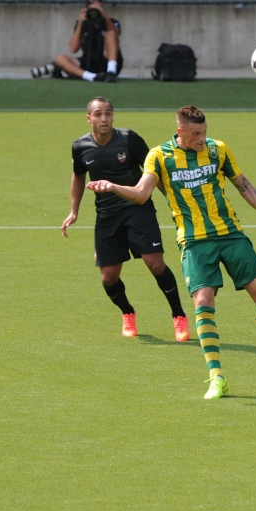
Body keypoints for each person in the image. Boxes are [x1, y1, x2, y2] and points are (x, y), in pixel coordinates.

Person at [87, 105, 256, 399]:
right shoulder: (159, 156)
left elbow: (243, 185)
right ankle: (216, 377)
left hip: (230, 235)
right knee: (203, 302)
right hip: (194, 242)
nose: (202, 138)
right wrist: (114, 187)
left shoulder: (217, 150)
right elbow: (142, 193)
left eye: (205, 131)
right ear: (180, 131)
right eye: (196, 133)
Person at [62, 96, 189, 342]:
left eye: (108, 113)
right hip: (107, 215)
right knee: (108, 276)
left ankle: (179, 315)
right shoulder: (80, 147)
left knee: (155, 263)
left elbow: (154, 171)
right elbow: (78, 176)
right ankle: (128, 312)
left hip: (137, 208)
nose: (104, 119)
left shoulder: (129, 140)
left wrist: (173, 202)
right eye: (98, 114)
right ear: (89, 118)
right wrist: (73, 211)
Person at [31, 0, 121, 82]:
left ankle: (110, 73)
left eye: (97, 8)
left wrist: (105, 17)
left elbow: (115, 33)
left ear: (102, 6)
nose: (95, 13)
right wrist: (80, 23)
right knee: (59, 58)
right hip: (88, 63)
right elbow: (73, 48)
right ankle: (92, 77)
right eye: (92, 9)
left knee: (111, 33)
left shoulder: (111, 22)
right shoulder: (84, 24)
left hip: (106, 63)